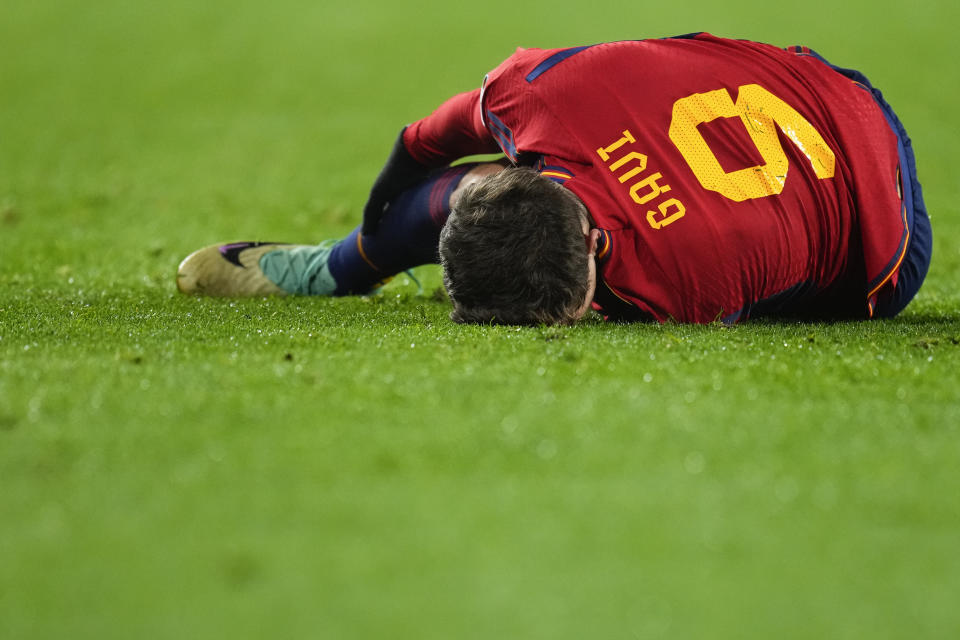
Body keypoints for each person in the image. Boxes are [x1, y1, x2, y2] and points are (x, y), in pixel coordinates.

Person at [177, 33, 930, 325]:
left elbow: (839, 287)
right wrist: (387, 198)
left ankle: (335, 268)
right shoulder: (537, 94)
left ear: (601, 247)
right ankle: (338, 265)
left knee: (823, 302)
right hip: (802, 82)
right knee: (463, 195)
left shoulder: (690, 278)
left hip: (882, 235)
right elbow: (422, 141)